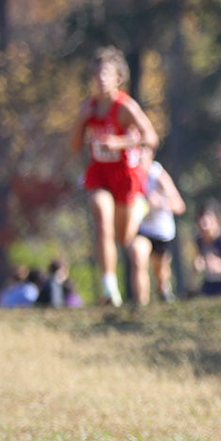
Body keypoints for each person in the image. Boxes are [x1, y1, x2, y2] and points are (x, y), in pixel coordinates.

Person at [71, 46, 160, 307]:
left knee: (123, 238)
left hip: (125, 176)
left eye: (105, 74)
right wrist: (80, 121)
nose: (100, 80)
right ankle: (109, 288)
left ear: (118, 78)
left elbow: (151, 137)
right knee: (101, 219)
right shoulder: (89, 108)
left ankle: (139, 208)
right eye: (96, 75)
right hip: (99, 174)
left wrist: (119, 143)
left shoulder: (126, 107)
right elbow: (75, 146)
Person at [132, 150, 188, 305]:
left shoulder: (158, 175)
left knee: (160, 273)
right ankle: (141, 304)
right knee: (138, 259)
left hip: (162, 232)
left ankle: (163, 290)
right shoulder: (131, 174)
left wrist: (159, 203)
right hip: (141, 230)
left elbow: (179, 206)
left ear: (151, 155)